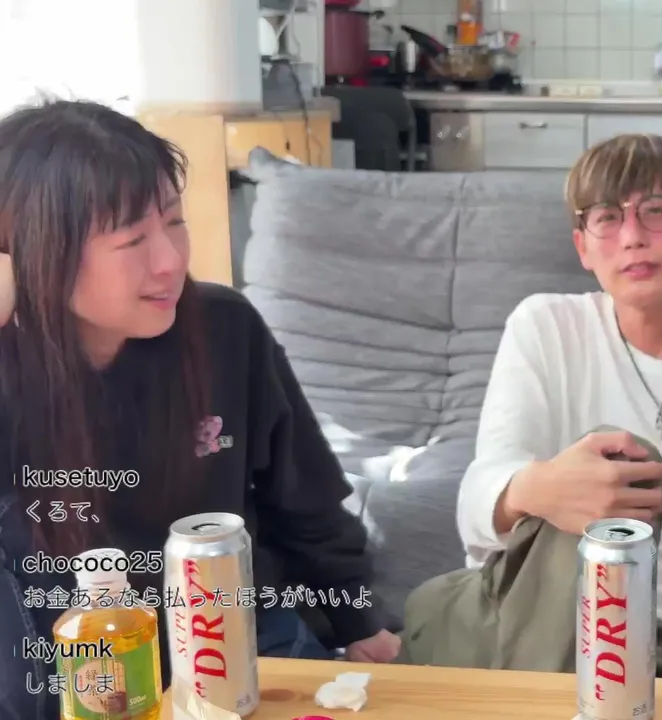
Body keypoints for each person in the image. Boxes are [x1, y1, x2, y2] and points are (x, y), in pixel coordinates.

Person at [0, 101, 400, 720]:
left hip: (238, 643)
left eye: (174, 221)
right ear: (34, 255)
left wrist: (357, 618)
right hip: (76, 666)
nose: (170, 261)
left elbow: (303, 495)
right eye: (132, 239)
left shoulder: (223, 328)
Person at [454, 134, 662, 671]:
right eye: (607, 217)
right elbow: (476, 506)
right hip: (539, 618)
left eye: (656, 211)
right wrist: (544, 488)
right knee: (613, 457)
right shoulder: (548, 326)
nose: (632, 237)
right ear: (582, 246)